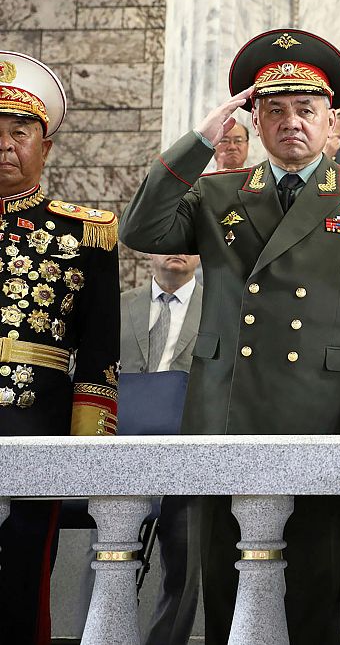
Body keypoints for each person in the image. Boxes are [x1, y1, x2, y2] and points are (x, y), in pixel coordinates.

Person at [120, 29, 340, 645]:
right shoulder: (218, 192)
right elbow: (143, 228)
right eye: (273, 110)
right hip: (230, 407)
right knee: (227, 579)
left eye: (306, 110)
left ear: (331, 120)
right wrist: (202, 138)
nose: (291, 123)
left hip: (326, 413)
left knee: (317, 577)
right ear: (253, 121)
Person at [0, 50, 120, 644]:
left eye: (19, 132)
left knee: (25, 563)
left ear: (45, 147)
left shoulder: (86, 231)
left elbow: (99, 351)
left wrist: (85, 443)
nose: (5, 144)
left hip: (36, 418)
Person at [119, 253, 203, 645]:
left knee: (184, 562)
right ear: (147, 252)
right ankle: (103, 635)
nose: (177, 250)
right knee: (108, 552)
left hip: (190, 449)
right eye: (166, 243)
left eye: (188, 244)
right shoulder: (119, 305)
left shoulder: (221, 309)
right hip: (122, 450)